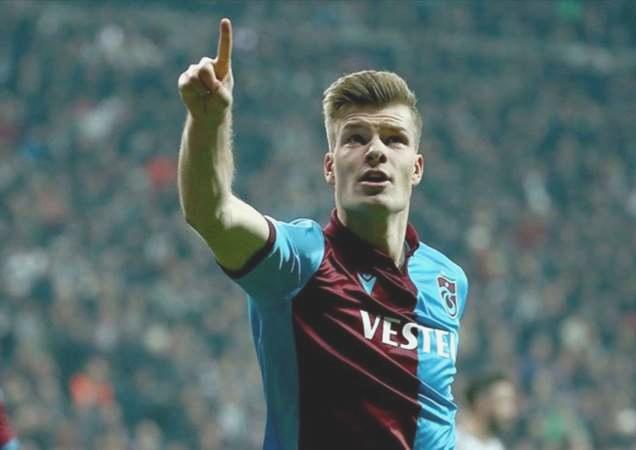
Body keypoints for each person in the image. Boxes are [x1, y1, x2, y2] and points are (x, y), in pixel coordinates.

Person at [177, 18, 469, 450]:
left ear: (417, 167)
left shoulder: (449, 280)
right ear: (330, 167)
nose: (376, 150)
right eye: (356, 138)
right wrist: (208, 122)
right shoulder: (300, 262)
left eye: (394, 139)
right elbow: (212, 211)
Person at [456, 374, 518, 450]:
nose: (511, 411)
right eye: (502, 401)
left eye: (512, 402)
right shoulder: (453, 441)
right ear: (481, 402)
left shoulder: (496, 446)